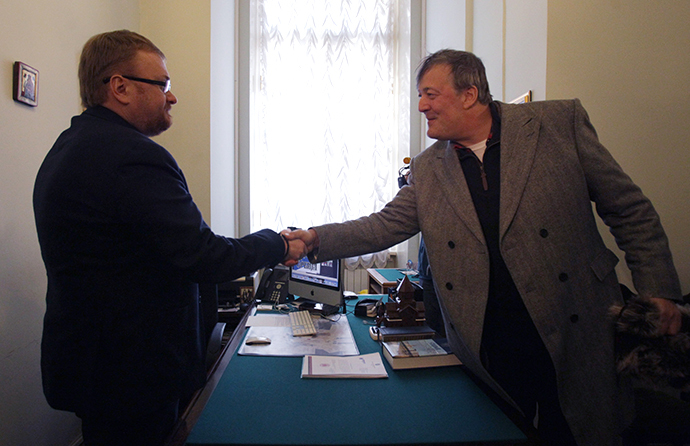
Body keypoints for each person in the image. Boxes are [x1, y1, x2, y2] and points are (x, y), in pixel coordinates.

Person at [285, 49, 683, 445]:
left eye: (430, 94)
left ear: (469, 95)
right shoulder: (427, 169)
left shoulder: (559, 123)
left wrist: (658, 291)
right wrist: (315, 238)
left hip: (575, 323)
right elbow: (383, 225)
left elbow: (630, 210)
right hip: (489, 341)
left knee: (585, 428)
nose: (421, 105)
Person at [33, 30, 305, 446]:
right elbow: (204, 256)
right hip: (131, 373)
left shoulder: (70, 145)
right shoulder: (131, 154)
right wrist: (280, 243)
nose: (171, 96)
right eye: (162, 84)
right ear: (120, 87)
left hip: (90, 364)